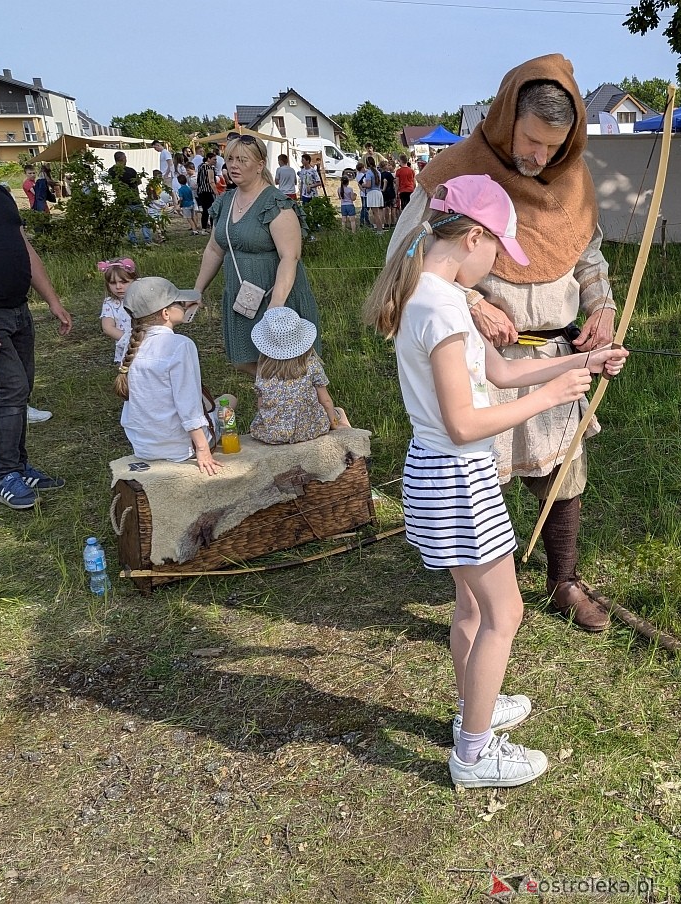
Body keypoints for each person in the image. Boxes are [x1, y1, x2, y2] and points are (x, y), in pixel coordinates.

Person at [365, 174, 627, 788]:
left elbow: (503, 371)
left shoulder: (442, 295)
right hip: (457, 475)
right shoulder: (440, 309)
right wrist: (554, 397)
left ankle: (471, 711)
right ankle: (474, 754)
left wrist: (579, 362)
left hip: (447, 475)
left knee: (471, 606)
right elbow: (462, 423)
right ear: (475, 236)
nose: (497, 264)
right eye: (496, 251)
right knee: (503, 615)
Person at [389, 55, 623, 631]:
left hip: (550, 354)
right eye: (530, 140)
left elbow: (587, 257)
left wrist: (603, 308)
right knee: (479, 476)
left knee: (563, 471)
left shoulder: (571, 178)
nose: (539, 156)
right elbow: (410, 261)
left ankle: (562, 581)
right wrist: (474, 304)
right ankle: (484, 593)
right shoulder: (457, 170)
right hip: (475, 357)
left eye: (552, 145)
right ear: (504, 116)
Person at [0, 117, 72, 508]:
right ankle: (5, 476)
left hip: (17, 309)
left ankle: (21, 466)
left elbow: (24, 249)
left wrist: (52, 300)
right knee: (10, 388)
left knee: (21, 388)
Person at [193, 133, 322, 375]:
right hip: (242, 295)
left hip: (274, 293)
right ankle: (275, 399)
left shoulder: (276, 203)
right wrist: (197, 289)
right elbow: (214, 248)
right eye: (230, 159)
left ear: (260, 165)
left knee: (286, 366)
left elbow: (290, 257)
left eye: (242, 160)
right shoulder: (226, 200)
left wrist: (276, 306)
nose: (233, 165)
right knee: (244, 360)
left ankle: (309, 405)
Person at [115, 277, 219, 475]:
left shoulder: (128, 342)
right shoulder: (180, 345)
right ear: (165, 313)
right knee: (228, 402)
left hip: (143, 446)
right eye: (179, 303)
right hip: (180, 448)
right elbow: (188, 405)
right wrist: (203, 449)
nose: (183, 305)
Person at [248, 307, 348, 444]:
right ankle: (348, 441)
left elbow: (261, 404)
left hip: (274, 434)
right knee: (339, 411)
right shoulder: (310, 364)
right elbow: (325, 401)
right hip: (311, 430)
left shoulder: (263, 370)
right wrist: (334, 424)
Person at [98, 257, 137, 365]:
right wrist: (131, 341)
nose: (118, 287)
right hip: (127, 348)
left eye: (123, 282)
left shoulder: (142, 298)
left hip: (148, 345)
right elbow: (107, 328)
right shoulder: (110, 303)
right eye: (113, 283)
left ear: (134, 280)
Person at [109, 151, 154, 245]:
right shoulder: (131, 171)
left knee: (129, 223)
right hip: (134, 198)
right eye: (125, 158)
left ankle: (134, 242)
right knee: (143, 221)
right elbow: (138, 182)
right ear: (122, 159)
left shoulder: (111, 171)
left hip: (122, 200)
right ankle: (147, 240)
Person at [196, 151, 218, 230]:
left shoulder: (200, 166)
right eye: (214, 159)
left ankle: (204, 228)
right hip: (207, 191)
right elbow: (211, 181)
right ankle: (212, 227)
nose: (215, 161)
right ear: (208, 159)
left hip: (201, 191)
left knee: (205, 210)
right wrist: (216, 192)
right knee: (211, 209)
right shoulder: (208, 168)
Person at [362, 158, 385, 231]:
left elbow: (368, 185)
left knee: (375, 213)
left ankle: (379, 230)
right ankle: (380, 228)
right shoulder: (378, 172)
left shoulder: (369, 173)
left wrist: (363, 185)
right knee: (377, 212)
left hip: (372, 193)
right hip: (378, 192)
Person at [379, 160, 396, 226]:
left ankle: (386, 223)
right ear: (385, 166)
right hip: (391, 192)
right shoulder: (389, 174)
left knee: (385, 208)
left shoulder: (380, 175)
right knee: (393, 208)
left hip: (384, 194)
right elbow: (394, 181)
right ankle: (393, 222)